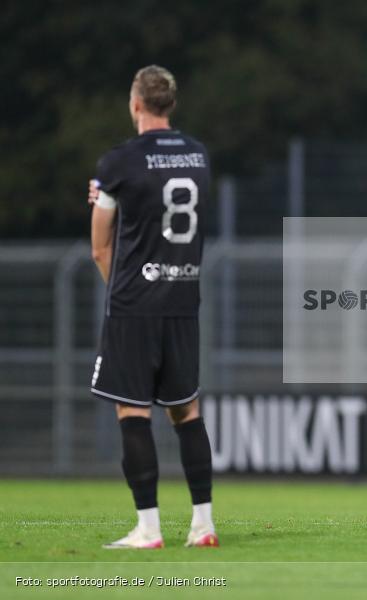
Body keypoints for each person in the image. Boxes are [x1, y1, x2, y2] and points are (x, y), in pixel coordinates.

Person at [88, 65, 217, 548]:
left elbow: (100, 248)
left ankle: (148, 528)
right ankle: (203, 526)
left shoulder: (118, 163)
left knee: (133, 412)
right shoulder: (198, 154)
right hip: (183, 299)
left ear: (136, 103)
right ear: (172, 104)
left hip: (135, 304)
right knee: (187, 412)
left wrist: (122, 291)